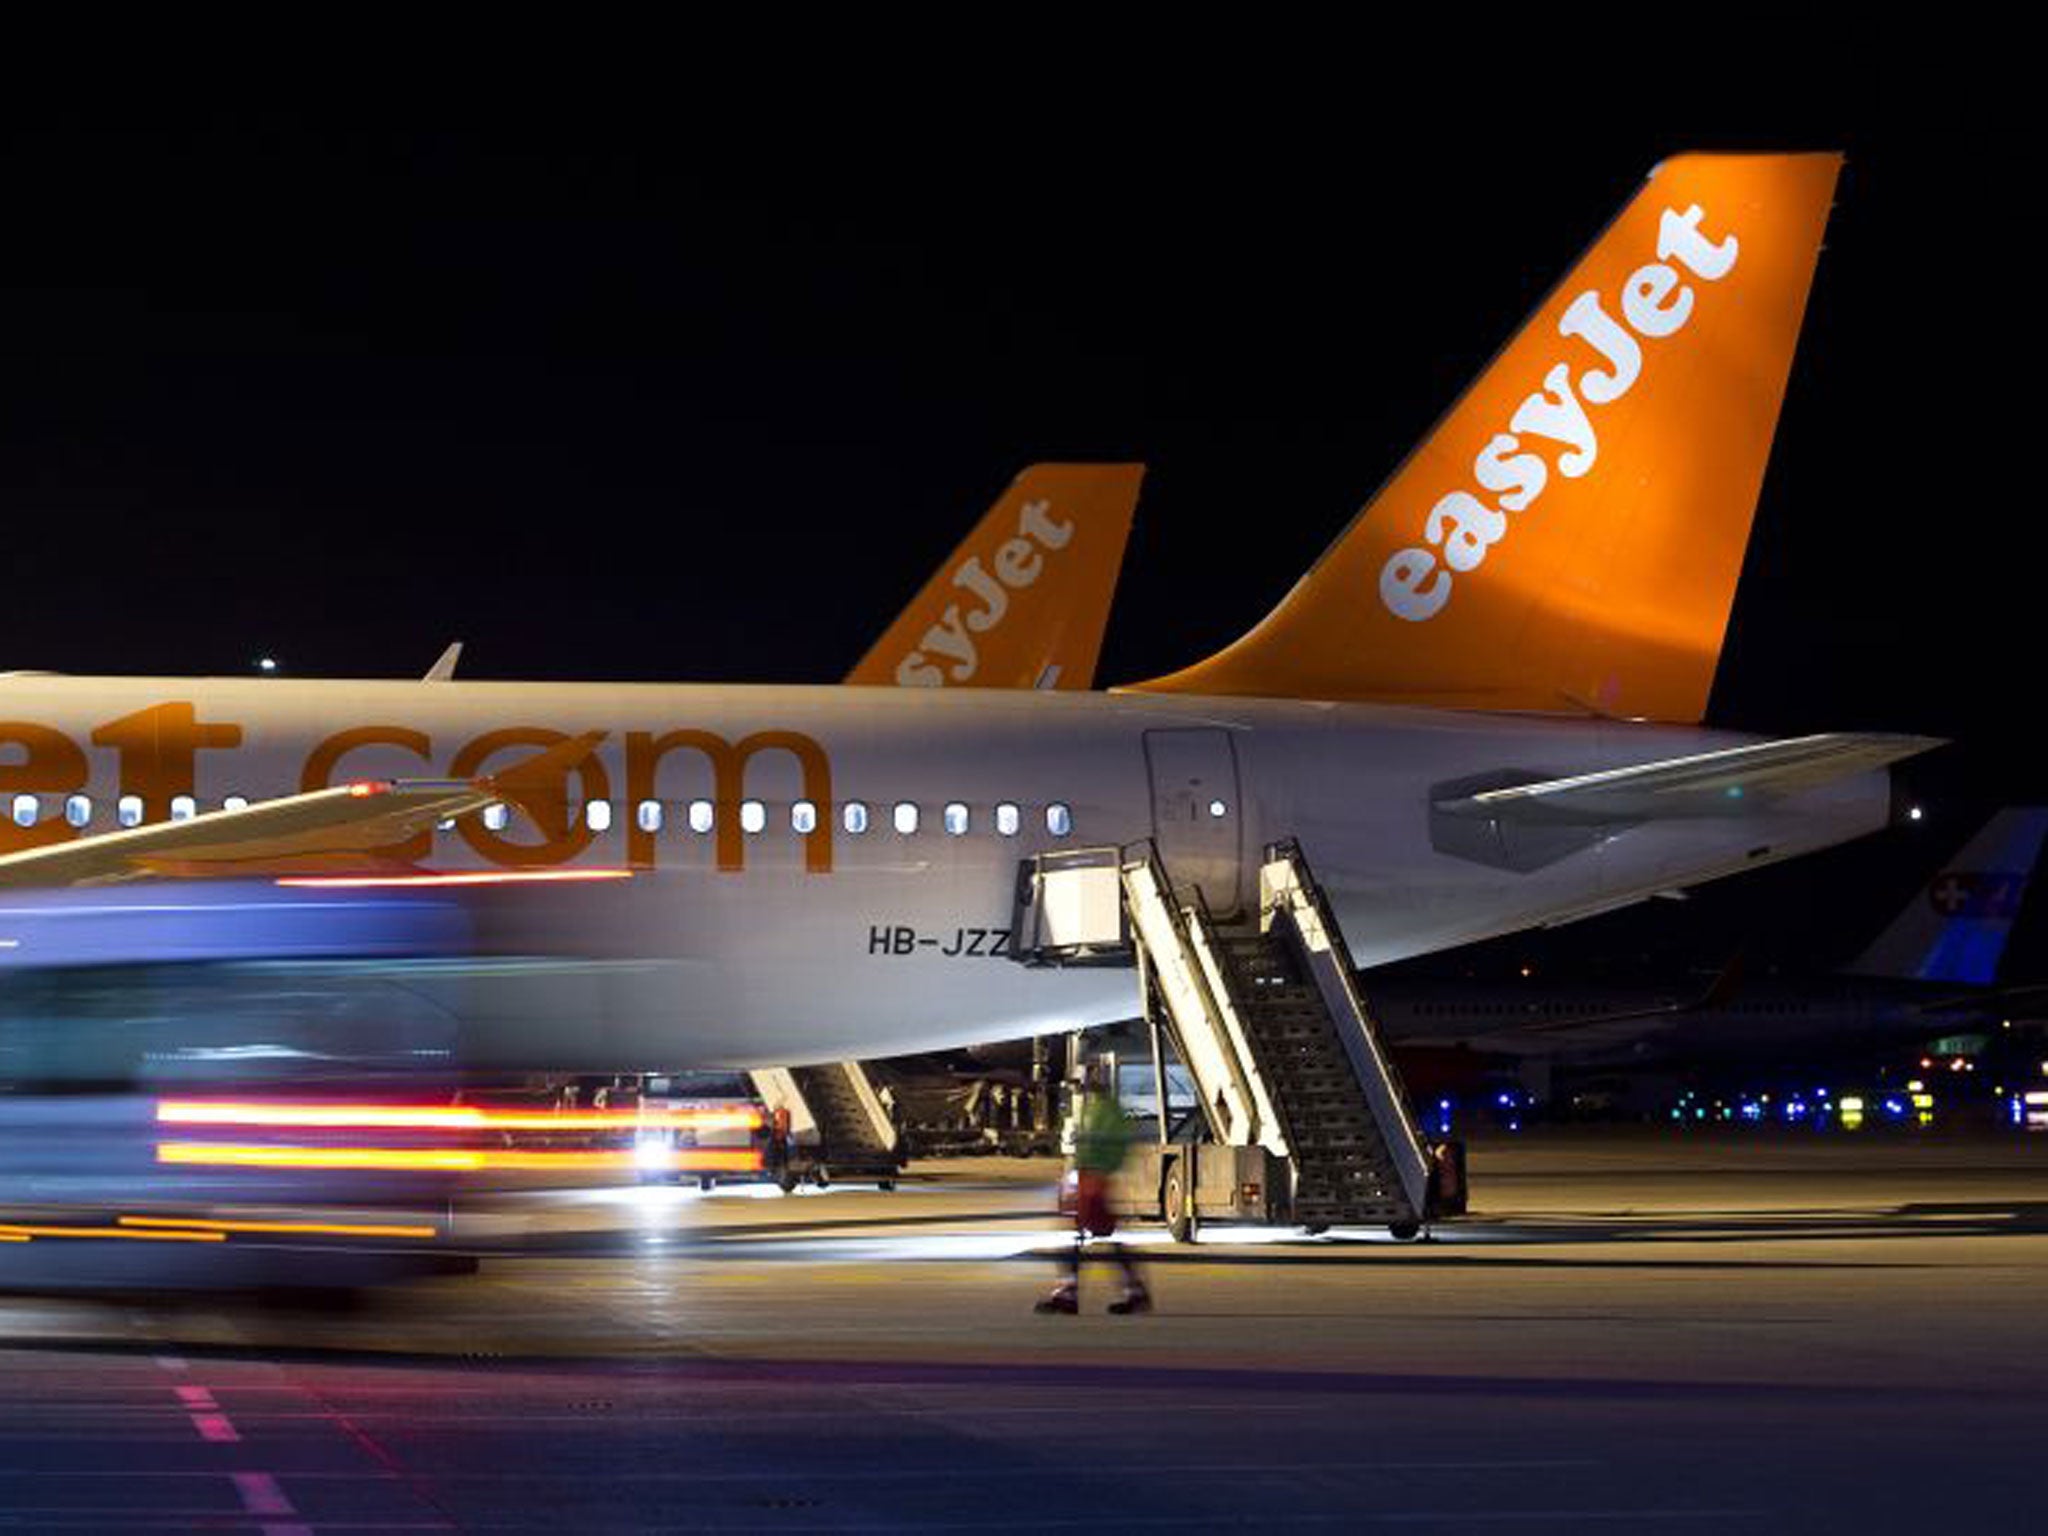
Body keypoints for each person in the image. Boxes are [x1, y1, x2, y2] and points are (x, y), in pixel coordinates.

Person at [1036, 1080, 1151, 1315]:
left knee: (1084, 1236)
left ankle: (1072, 1292)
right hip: (1091, 1178)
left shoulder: (1102, 1111)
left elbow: (1096, 1148)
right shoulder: (1100, 1109)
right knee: (1091, 1235)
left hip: (1093, 1179)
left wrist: (1087, 1176)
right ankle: (1131, 1292)